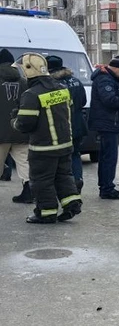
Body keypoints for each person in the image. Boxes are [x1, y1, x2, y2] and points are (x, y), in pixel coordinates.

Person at [11, 54, 81, 224]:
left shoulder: (31, 94)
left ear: (29, 70)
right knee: (63, 176)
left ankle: (46, 213)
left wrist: (14, 120)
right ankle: (72, 204)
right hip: (65, 144)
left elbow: (25, 124)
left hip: (43, 148)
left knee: (41, 180)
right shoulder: (62, 88)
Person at [89, 56, 119, 200]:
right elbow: (110, 101)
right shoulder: (105, 80)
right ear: (115, 68)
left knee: (107, 157)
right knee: (109, 158)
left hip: (109, 123)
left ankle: (106, 186)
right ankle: (107, 188)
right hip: (108, 124)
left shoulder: (108, 78)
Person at [48, 55, 88, 191]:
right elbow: (83, 101)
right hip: (78, 124)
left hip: (62, 126)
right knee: (75, 154)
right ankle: (77, 179)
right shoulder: (75, 81)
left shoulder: (52, 84)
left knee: (60, 158)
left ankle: (65, 186)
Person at [0, 48, 32, 203]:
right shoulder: (24, 81)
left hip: (1, 132)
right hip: (20, 129)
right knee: (25, 162)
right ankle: (29, 191)